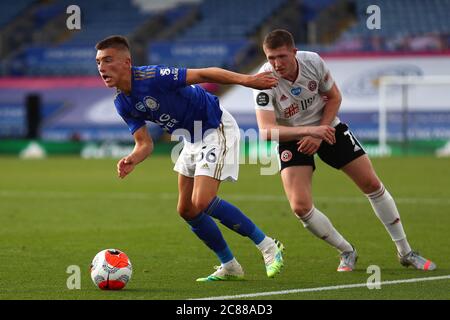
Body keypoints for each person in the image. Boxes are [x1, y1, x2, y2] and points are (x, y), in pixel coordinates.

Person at [94, 35, 336, 281]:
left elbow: (204, 74)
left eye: (108, 60)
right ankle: (230, 265)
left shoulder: (152, 76)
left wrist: (248, 80)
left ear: (127, 62)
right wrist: (133, 158)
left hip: (214, 126)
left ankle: (268, 246)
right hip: (190, 139)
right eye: (98, 62)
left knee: (203, 200)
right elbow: (144, 143)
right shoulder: (121, 102)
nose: (101, 67)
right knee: (187, 209)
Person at [253, 29, 436, 272]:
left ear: (294, 52)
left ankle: (405, 251)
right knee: (300, 207)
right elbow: (266, 131)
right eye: (271, 58)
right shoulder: (263, 80)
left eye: (282, 56)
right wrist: (308, 133)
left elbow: (334, 98)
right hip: (293, 138)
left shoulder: (313, 61)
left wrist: (319, 131)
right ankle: (346, 251)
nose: (276, 64)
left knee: (371, 184)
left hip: (327, 126)